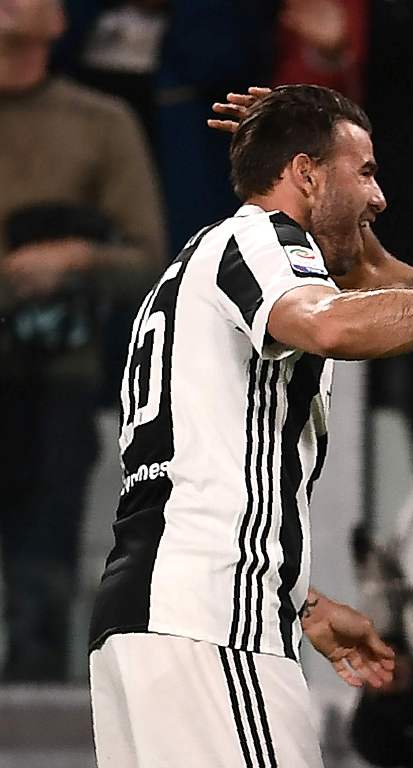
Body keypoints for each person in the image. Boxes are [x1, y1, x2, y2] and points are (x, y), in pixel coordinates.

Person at [88, 84, 413, 768]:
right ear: (304, 174)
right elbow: (329, 323)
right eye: (364, 172)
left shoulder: (199, 268)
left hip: (154, 617)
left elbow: (368, 280)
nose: (380, 197)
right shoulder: (259, 237)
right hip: (210, 625)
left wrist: (299, 599)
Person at [0, 0, 164, 681]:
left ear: (63, 19)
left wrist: (74, 259)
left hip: (55, 368)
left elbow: (148, 257)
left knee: (46, 538)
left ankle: (36, 677)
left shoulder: (100, 123)